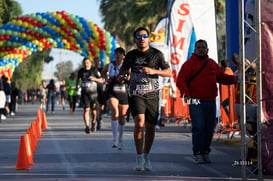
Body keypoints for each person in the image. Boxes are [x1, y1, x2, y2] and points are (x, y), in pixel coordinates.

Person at [118, 27, 172, 171]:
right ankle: (139, 156)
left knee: (150, 127)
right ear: (135, 39)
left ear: (148, 38)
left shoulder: (157, 54)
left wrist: (153, 71)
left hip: (152, 95)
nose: (142, 38)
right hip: (136, 93)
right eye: (138, 36)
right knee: (139, 123)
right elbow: (123, 70)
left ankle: (147, 156)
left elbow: (169, 72)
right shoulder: (130, 55)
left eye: (144, 36)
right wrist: (123, 76)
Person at [176, 39, 237, 164]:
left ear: (207, 49)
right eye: (198, 47)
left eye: (203, 47)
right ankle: (198, 153)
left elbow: (222, 78)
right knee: (199, 127)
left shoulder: (212, 63)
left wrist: (236, 79)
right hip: (196, 101)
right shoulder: (188, 64)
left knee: (209, 128)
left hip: (210, 101)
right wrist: (186, 95)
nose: (201, 49)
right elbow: (180, 81)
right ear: (195, 49)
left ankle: (205, 152)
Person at [102, 47, 129, 150]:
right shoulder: (109, 66)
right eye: (116, 53)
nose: (118, 55)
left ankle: (120, 139)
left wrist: (124, 79)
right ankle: (114, 139)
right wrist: (106, 79)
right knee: (114, 112)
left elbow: (130, 77)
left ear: (123, 56)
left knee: (122, 117)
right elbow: (103, 72)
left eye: (120, 54)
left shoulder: (126, 66)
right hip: (111, 91)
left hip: (123, 92)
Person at [76, 57, 103, 134]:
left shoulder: (94, 70)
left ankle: (93, 122)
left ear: (90, 63)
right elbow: (78, 79)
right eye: (84, 63)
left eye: (87, 63)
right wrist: (76, 86)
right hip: (85, 93)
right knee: (86, 109)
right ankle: (87, 126)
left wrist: (94, 79)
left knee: (94, 110)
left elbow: (101, 80)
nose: (86, 64)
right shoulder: (81, 71)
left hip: (93, 94)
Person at [94, 57, 105, 130]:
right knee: (94, 107)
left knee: (101, 107)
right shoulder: (92, 70)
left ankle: (99, 118)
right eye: (96, 62)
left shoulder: (102, 70)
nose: (97, 63)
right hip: (93, 91)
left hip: (101, 90)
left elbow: (104, 79)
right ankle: (95, 120)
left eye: (98, 61)